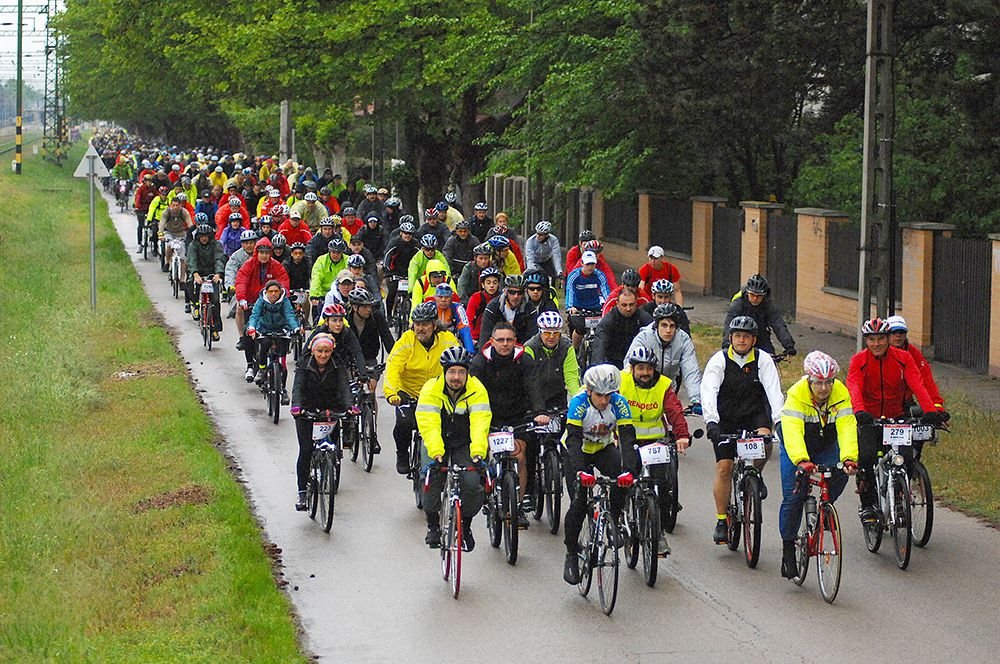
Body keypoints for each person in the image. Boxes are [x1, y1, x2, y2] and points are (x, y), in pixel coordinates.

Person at [847, 318, 947, 524]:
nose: (877, 344)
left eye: (881, 338)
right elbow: (854, 386)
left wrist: (930, 410)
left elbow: (918, 384)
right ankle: (868, 505)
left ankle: (900, 499)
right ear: (866, 341)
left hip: (897, 416)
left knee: (906, 457)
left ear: (888, 338)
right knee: (866, 459)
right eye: (872, 339)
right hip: (869, 418)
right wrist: (859, 411)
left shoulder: (903, 358)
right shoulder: (859, 361)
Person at [700, 316, 785, 544]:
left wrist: (780, 422)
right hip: (725, 418)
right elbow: (709, 391)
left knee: (766, 443)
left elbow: (774, 392)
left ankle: (755, 473)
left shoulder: (763, 359)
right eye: (737, 336)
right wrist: (711, 422)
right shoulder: (719, 360)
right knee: (724, 468)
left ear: (754, 340)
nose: (741, 340)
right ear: (730, 338)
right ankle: (721, 520)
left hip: (753, 415)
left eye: (746, 337)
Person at [778, 351, 859, 579]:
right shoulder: (796, 394)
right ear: (809, 380)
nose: (824, 388)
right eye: (818, 383)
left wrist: (850, 457)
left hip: (825, 444)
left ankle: (825, 508)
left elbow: (846, 427)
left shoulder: (840, 393)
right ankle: (787, 549)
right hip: (797, 447)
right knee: (793, 497)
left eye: (828, 382)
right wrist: (802, 461)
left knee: (841, 472)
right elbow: (792, 432)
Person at [562, 365, 636, 585]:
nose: (604, 401)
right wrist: (580, 471)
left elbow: (627, 438)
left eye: (608, 396)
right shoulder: (578, 403)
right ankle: (572, 554)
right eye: (599, 396)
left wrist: (629, 471)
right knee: (579, 502)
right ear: (589, 392)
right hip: (577, 451)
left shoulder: (619, 403)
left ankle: (613, 518)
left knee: (621, 478)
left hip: (602, 449)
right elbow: (573, 440)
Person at [470, 322, 546, 524]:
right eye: (501, 340)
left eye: (509, 340)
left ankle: (518, 506)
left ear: (515, 341)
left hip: (517, 418)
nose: (505, 344)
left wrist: (539, 411)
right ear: (492, 341)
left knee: (520, 457)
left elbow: (533, 387)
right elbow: (473, 392)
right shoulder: (479, 363)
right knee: (480, 454)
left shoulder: (524, 361)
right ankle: (484, 490)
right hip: (489, 417)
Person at [416, 347, 491, 550]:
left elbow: (479, 423)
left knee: (473, 484)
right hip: (437, 441)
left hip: (465, 442)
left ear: (467, 373)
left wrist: (477, 452)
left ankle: (465, 527)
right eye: (451, 372)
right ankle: (433, 526)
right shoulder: (431, 389)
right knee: (430, 479)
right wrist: (436, 451)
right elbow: (429, 423)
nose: (456, 377)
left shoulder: (477, 389)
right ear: (444, 372)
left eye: (461, 372)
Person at [619, 345, 691, 555]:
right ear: (632, 369)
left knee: (660, 487)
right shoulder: (621, 382)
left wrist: (682, 435)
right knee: (625, 480)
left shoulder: (664, 385)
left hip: (655, 442)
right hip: (627, 439)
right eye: (640, 368)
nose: (645, 373)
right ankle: (622, 517)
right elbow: (610, 407)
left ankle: (658, 536)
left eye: (649, 368)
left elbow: (674, 411)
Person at [384, 302, 461, 474]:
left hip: (437, 394)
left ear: (434, 325)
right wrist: (393, 393)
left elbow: (458, 365)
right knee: (403, 423)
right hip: (408, 393)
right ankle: (402, 454)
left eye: (425, 324)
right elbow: (392, 367)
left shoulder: (447, 340)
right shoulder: (406, 340)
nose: (420, 328)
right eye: (417, 324)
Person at [289, 333, 353, 510]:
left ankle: (331, 464)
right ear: (312, 350)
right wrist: (297, 407)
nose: (323, 355)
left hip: (330, 409)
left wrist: (349, 406)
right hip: (306, 411)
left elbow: (344, 387)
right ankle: (302, 492)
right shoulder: (304, 365)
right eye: (320, 351)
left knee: (332, 443)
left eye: (327, 351)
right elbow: (298, 388)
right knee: (306, 450)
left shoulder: (337, 365)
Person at [626, 303, 702, 411]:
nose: (668, 330)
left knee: (678, 424)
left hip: (669, 391)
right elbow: (629, 365)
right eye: (664, 325)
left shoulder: (683, 339)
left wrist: (696, 400)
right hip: (644, 389)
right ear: (656, 325)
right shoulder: (644, 337)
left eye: (672, 326)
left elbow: (691, 370)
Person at [235, 237, 290, 381]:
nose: (264, 255)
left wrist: (284, 296)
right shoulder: (249, 265)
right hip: (253, 303)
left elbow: (283, 281)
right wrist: (242, 299)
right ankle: (250, 366)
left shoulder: (276, 266)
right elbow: (241, 281)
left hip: (272, 304)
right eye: (261, 252)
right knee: (249, 334)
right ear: (256, 253)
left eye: (267, 252)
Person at [247, 280, 302, 404]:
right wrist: (252, 328)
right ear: (266, 292)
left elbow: (289, 315)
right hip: (264, 329)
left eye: (276, 291)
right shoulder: (261, 301)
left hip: (281, 329)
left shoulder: (285, 301)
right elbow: (255, 315)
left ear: (280, 291)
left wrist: (295, 328)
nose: (273, 294)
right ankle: (261, 370)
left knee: (282, 362)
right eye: (270, 291)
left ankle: (282, 389)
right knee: (264, 345)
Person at [722, 274, 796, 357]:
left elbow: (779, 325)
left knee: (770, 362)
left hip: (761, 338)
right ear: (747, 293)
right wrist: (726, 344)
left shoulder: (768, 305)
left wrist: (789, 345)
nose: (755, 299)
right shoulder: (738, 304)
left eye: (759, 296)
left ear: (764, 295)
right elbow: (729, 324)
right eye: (752, 295)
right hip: (743, 338)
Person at [523, 311, 581, 411]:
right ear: (540, 331)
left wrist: (579, 399)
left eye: (556, 333)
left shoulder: (567, 347)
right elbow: (530, 380)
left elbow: (571, 377)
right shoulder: (529, 347)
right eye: (547, 333)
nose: (551, 337)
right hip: (534, 397)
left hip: (557, 396)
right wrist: (539, 409)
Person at [885, 315, 945, 410]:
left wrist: (936, 406)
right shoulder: (879, 352)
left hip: (906, 402)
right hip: (881, 403)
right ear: (886, 335)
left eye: (902, 332)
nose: (898, 335)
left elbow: (926, 381)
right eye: (894, 332)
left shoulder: (913, 353)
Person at [564, 250, 611, 354]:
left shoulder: (600, 275)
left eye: (592, 264)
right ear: (582, 263)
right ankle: (574, 352)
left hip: (595, 307)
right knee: (579, 329)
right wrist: (570, 306)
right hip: (578, 308)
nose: (590, 267)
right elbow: (570, 291)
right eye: (588, 264)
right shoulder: (574, 276)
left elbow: (606, 292)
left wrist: (609, 305)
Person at [591, 290, 653, 368]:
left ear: (636, 303)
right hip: (614, 361)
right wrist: (597, 368)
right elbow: (600, 345)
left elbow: (653, 336)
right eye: (624, 305)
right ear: (617, 304)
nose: (628, 308)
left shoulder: (643, 317)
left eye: (631, 304)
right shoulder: (609, 320)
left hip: (637, 361)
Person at [185, 223, 225, 340]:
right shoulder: (193, 245)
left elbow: (219, 259)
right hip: (198, 273)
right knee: (189, 283)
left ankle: (215, 329)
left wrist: (218, 273)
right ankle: (195, 305)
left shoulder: (216, 245)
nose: (204, 238)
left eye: (206, 236)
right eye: (201, 236)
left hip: (213, 274)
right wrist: (195, 274)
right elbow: (191, 260)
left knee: (215, 301)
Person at [347, 288, 395, 369]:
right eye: (365, 307)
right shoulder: (345, 319)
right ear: (355, 307)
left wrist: (396, 357)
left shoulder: (376, 316)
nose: (369, 310)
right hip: (350, 361)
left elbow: (387, 338)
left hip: (370, 359)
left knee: (371, 380)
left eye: (370, 306)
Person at [383, 220, 419, 318]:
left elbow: (420, 258)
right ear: (401, 233)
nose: (407, 235)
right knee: (392, 292)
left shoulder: (415, 244)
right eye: (405, 233)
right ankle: (389, 316)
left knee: (414, 293)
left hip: (410, 272)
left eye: (410, 234)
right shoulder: (395, 242)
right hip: (395, 271)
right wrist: (387, 268)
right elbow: (387, 255)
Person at [428, 284, 476, 353]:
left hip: (452, 342)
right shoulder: (428, 307)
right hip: (432, 342)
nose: (443, 300)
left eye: (447, 297)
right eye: (440, 297)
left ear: (451, 298)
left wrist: (470, 352)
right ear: (435, 297)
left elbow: (465, 330)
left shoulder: (458, 308)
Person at [309, 238, 350, 317]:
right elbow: (316, 277)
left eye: (338, 252)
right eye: (333, 252)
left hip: (341, 293)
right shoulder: (321, 260)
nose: (335, 255)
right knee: (316, 309)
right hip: (323, 293)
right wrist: (315, 295)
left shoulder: (347, 260)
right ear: (329, 251)